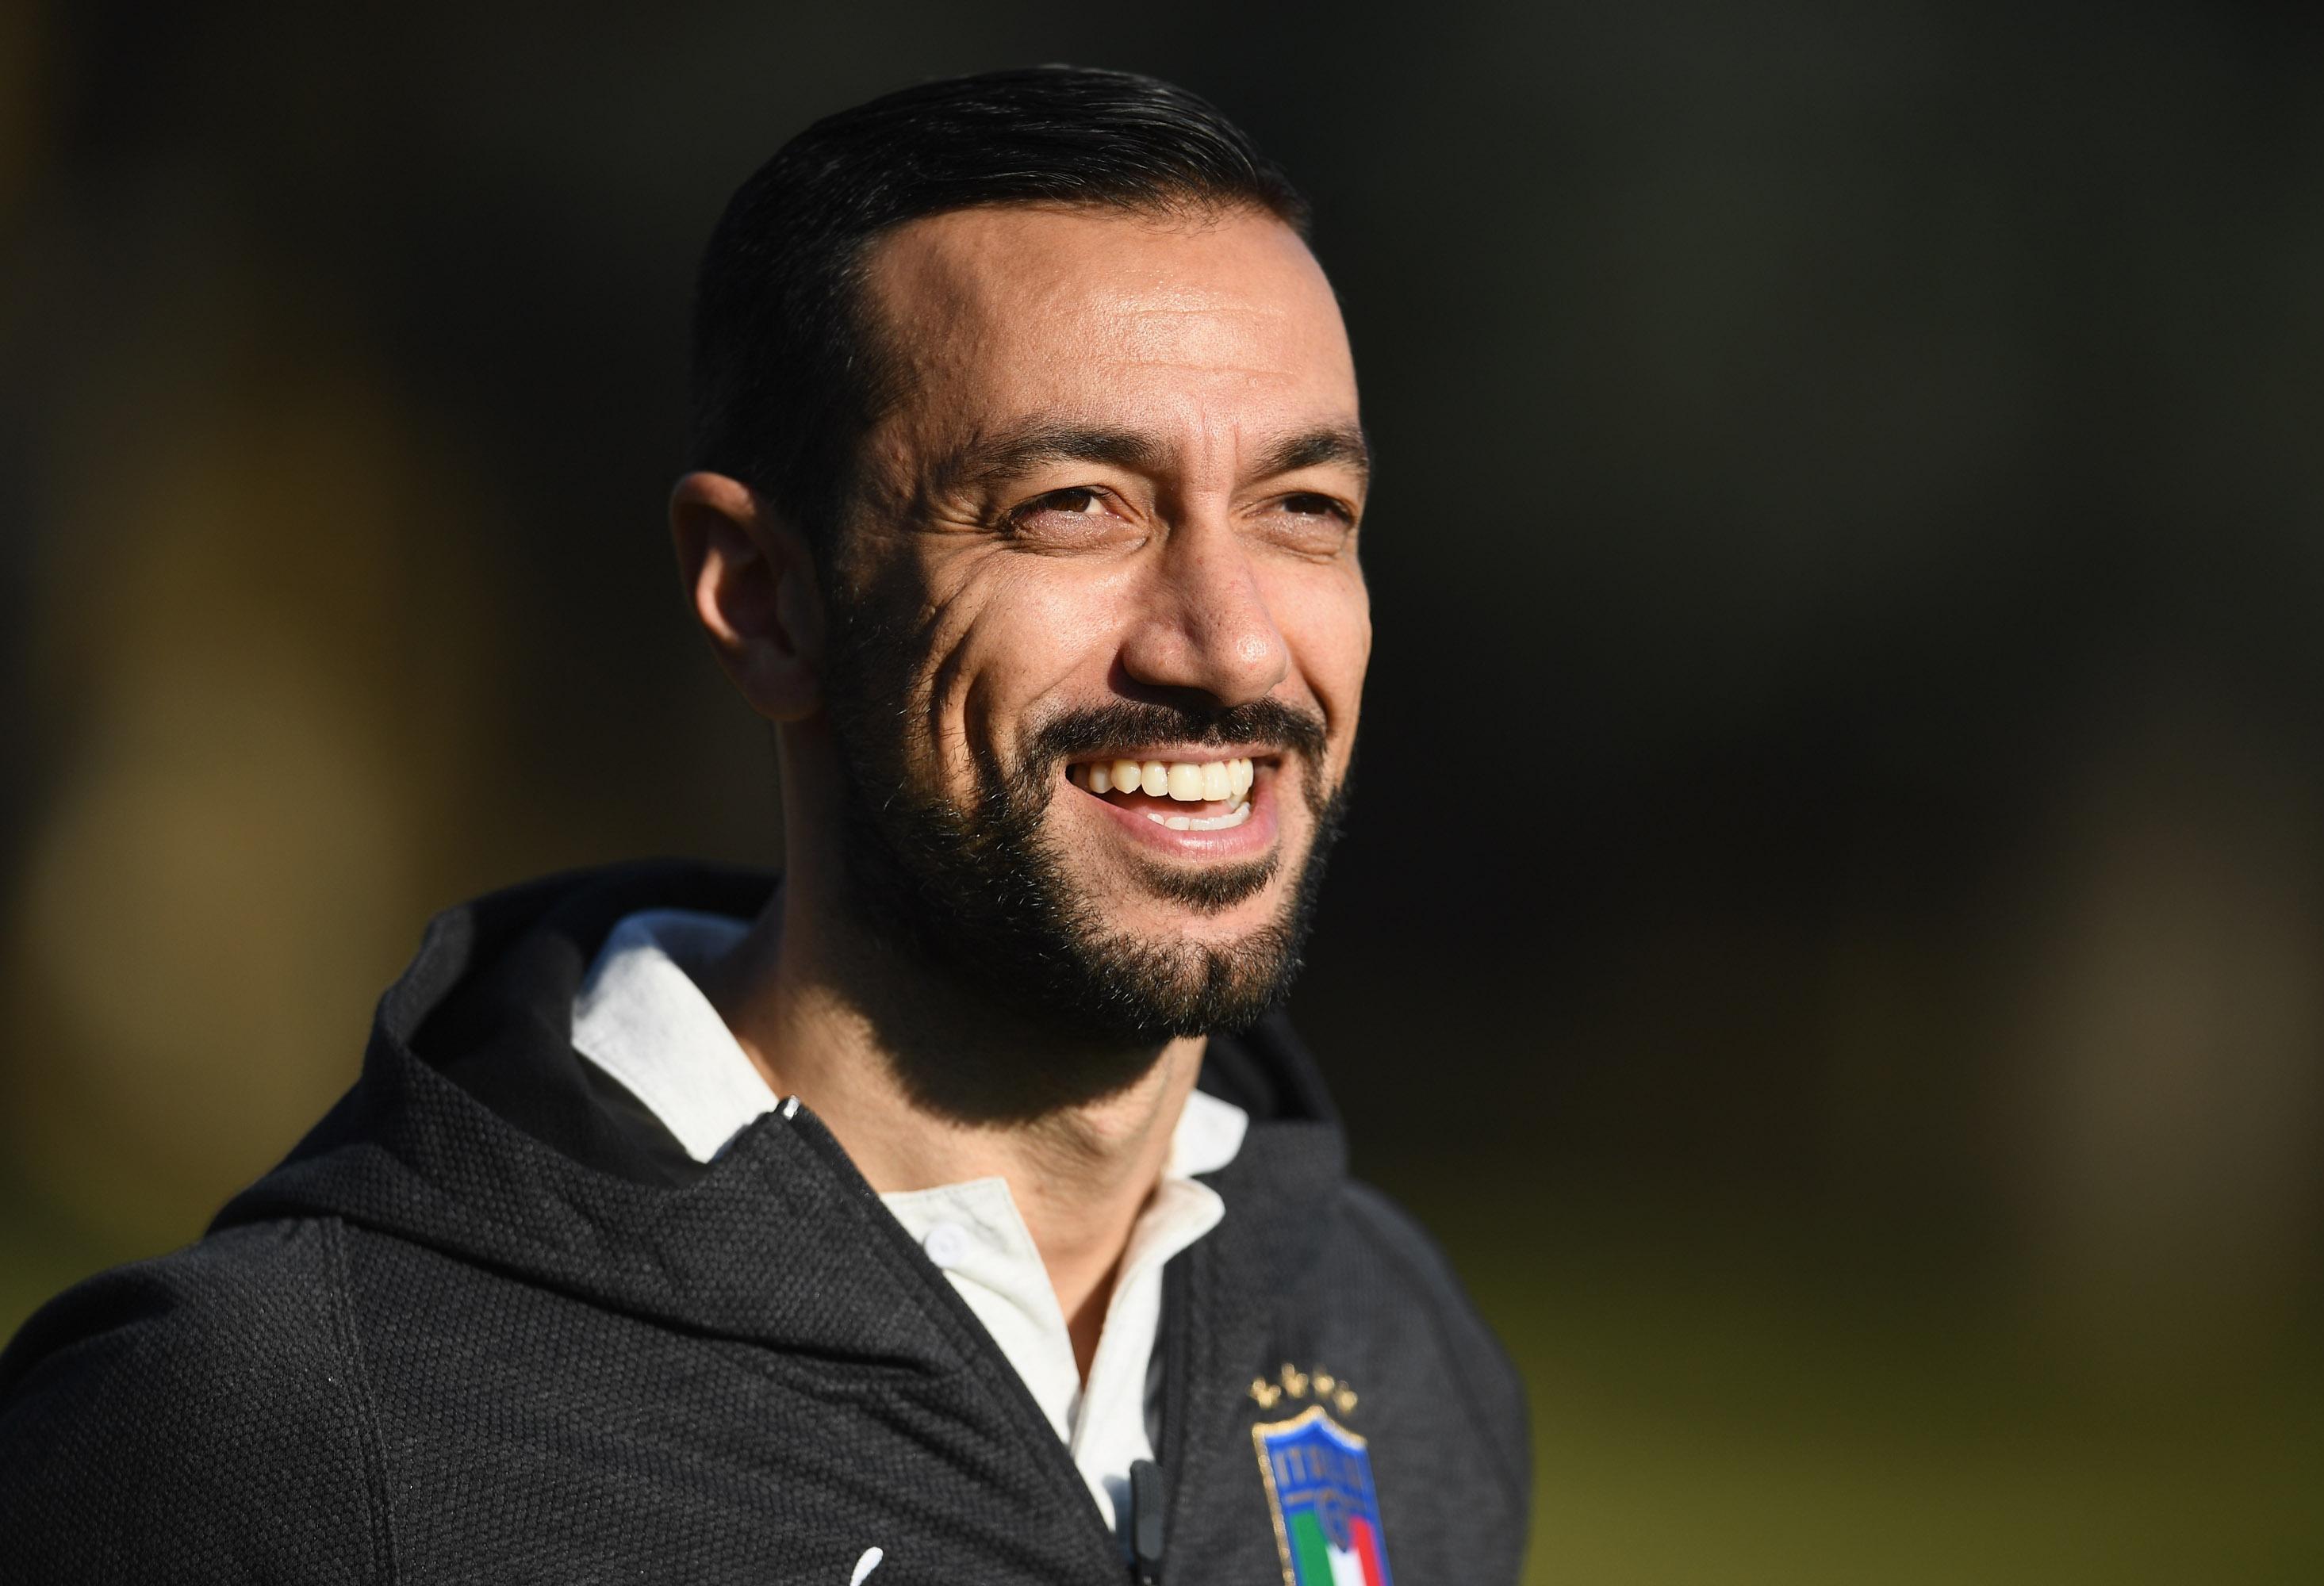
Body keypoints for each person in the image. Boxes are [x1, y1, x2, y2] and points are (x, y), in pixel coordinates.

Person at [0, 67, 1528, 1585]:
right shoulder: (273, 1431)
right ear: (764, 597)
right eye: (1075, 504)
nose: (1236, 648)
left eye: (1303, 511)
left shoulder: (1391, 1356)